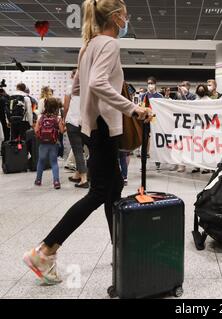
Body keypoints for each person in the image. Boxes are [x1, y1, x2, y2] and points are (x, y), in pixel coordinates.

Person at [23, 0, 152, 285]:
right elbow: (96, 84)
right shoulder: (109, 44)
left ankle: (120, 249)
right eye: (126, 15)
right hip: (103, 127)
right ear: (117, 17)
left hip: (92, 127)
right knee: (100, 192)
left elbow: (79, 87)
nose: (128, 19)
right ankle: (45, 250)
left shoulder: (88, 46)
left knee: (112, 188)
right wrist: (133, 108)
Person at [64, 69, 89, 188]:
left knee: (78, 150)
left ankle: (84, 179)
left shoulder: (70, 88)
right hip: (86, 122)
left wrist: (63, 120)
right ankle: (77, 174)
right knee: (84, 150)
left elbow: (66, 106)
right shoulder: (89, 87)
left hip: (73, 121)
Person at [34, 98, 65, 189]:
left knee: (41, 161)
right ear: (56, 107)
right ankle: (56, 182)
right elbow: (62, 131)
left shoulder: (40, 117)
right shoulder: (58, 118)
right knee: (54, 162)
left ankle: (38, 180)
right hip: (53, 143)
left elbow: (36, 130)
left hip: (43, 143)